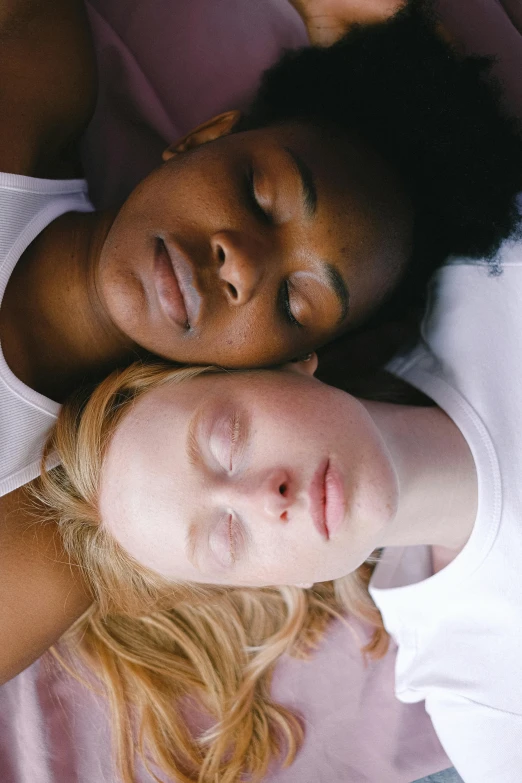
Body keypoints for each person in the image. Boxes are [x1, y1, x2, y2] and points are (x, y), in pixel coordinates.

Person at [1, 0, 521, 697]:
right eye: (258, 192)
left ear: (284, 372)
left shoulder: (41, 544)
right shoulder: (34, 76)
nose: (239, 265)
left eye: (291, 303)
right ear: (202, 139)